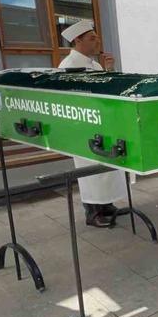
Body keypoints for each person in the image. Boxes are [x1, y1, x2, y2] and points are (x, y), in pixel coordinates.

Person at [58, 20, 125, 228]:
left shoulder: (94, 64)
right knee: (89, 168)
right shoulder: (68, 66)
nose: (97, 42)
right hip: (84, 125)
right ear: (78, 40)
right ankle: (92, 211)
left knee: (107, 167)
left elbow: (106, 91)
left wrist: (110, 70)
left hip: (101, 123)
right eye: (92, 38)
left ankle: (106, 204)